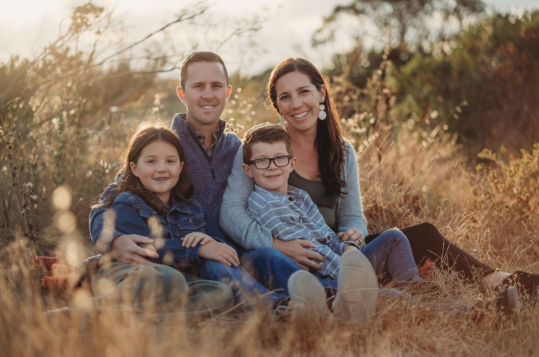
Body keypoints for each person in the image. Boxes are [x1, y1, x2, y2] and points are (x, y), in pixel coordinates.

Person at [219, 57, 538, 305]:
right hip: (293, 258)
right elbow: (231, 213)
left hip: (336, 250)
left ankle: (505, 282)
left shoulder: (342, 151)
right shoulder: (265, 149)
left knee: (422, 234)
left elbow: (352, 216)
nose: (296, 103)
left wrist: (356, 232)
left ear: (320, 93)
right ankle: (409, 296)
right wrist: (277, 245)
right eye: (284, 97)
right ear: (277, 106)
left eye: (304, 91)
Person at [243, 122, 423, 289]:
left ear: (292, 164)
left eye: (279, 158)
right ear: (248, 169)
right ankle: (404, 301)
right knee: (389, 296)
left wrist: (347, 248)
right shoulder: (266, 204)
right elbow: (313, 254)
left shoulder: (298, 195)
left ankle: (416, 289)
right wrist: (357, 275)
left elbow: (326, 236)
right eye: (261, 161)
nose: (272, 167)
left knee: (393, 238)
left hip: (341, 266)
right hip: (323, 278)